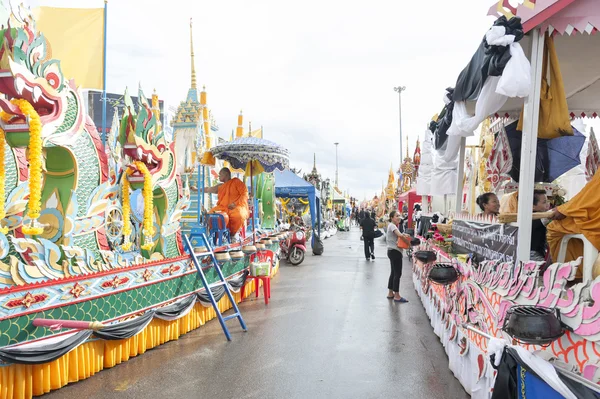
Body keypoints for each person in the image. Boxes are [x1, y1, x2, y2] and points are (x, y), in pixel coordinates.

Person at [205, 167, 249, 235]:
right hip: (223, 207)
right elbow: (208, 189)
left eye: (220, 175)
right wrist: (196, 189)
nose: (218, 176)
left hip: (236, 207)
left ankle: (233, 234)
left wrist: (235, 204)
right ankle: (215, 234)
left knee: (238, 216)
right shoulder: (221, 186)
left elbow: (245, 194)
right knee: (211, 214)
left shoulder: (236, 182)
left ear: (226, 174)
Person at [386, 210, 410, 303]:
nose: (399, 217)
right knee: (397, 273)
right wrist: (408, 242)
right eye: (397, 216)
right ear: (392, 217)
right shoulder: (392, 225)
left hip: (391, 251)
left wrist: (404, 235)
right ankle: (397, 295)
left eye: (399, 215)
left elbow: (398, 235)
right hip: (395, 252)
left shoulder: (393, 226)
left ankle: (390, 293)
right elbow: (399, 235)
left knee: (393, 272)